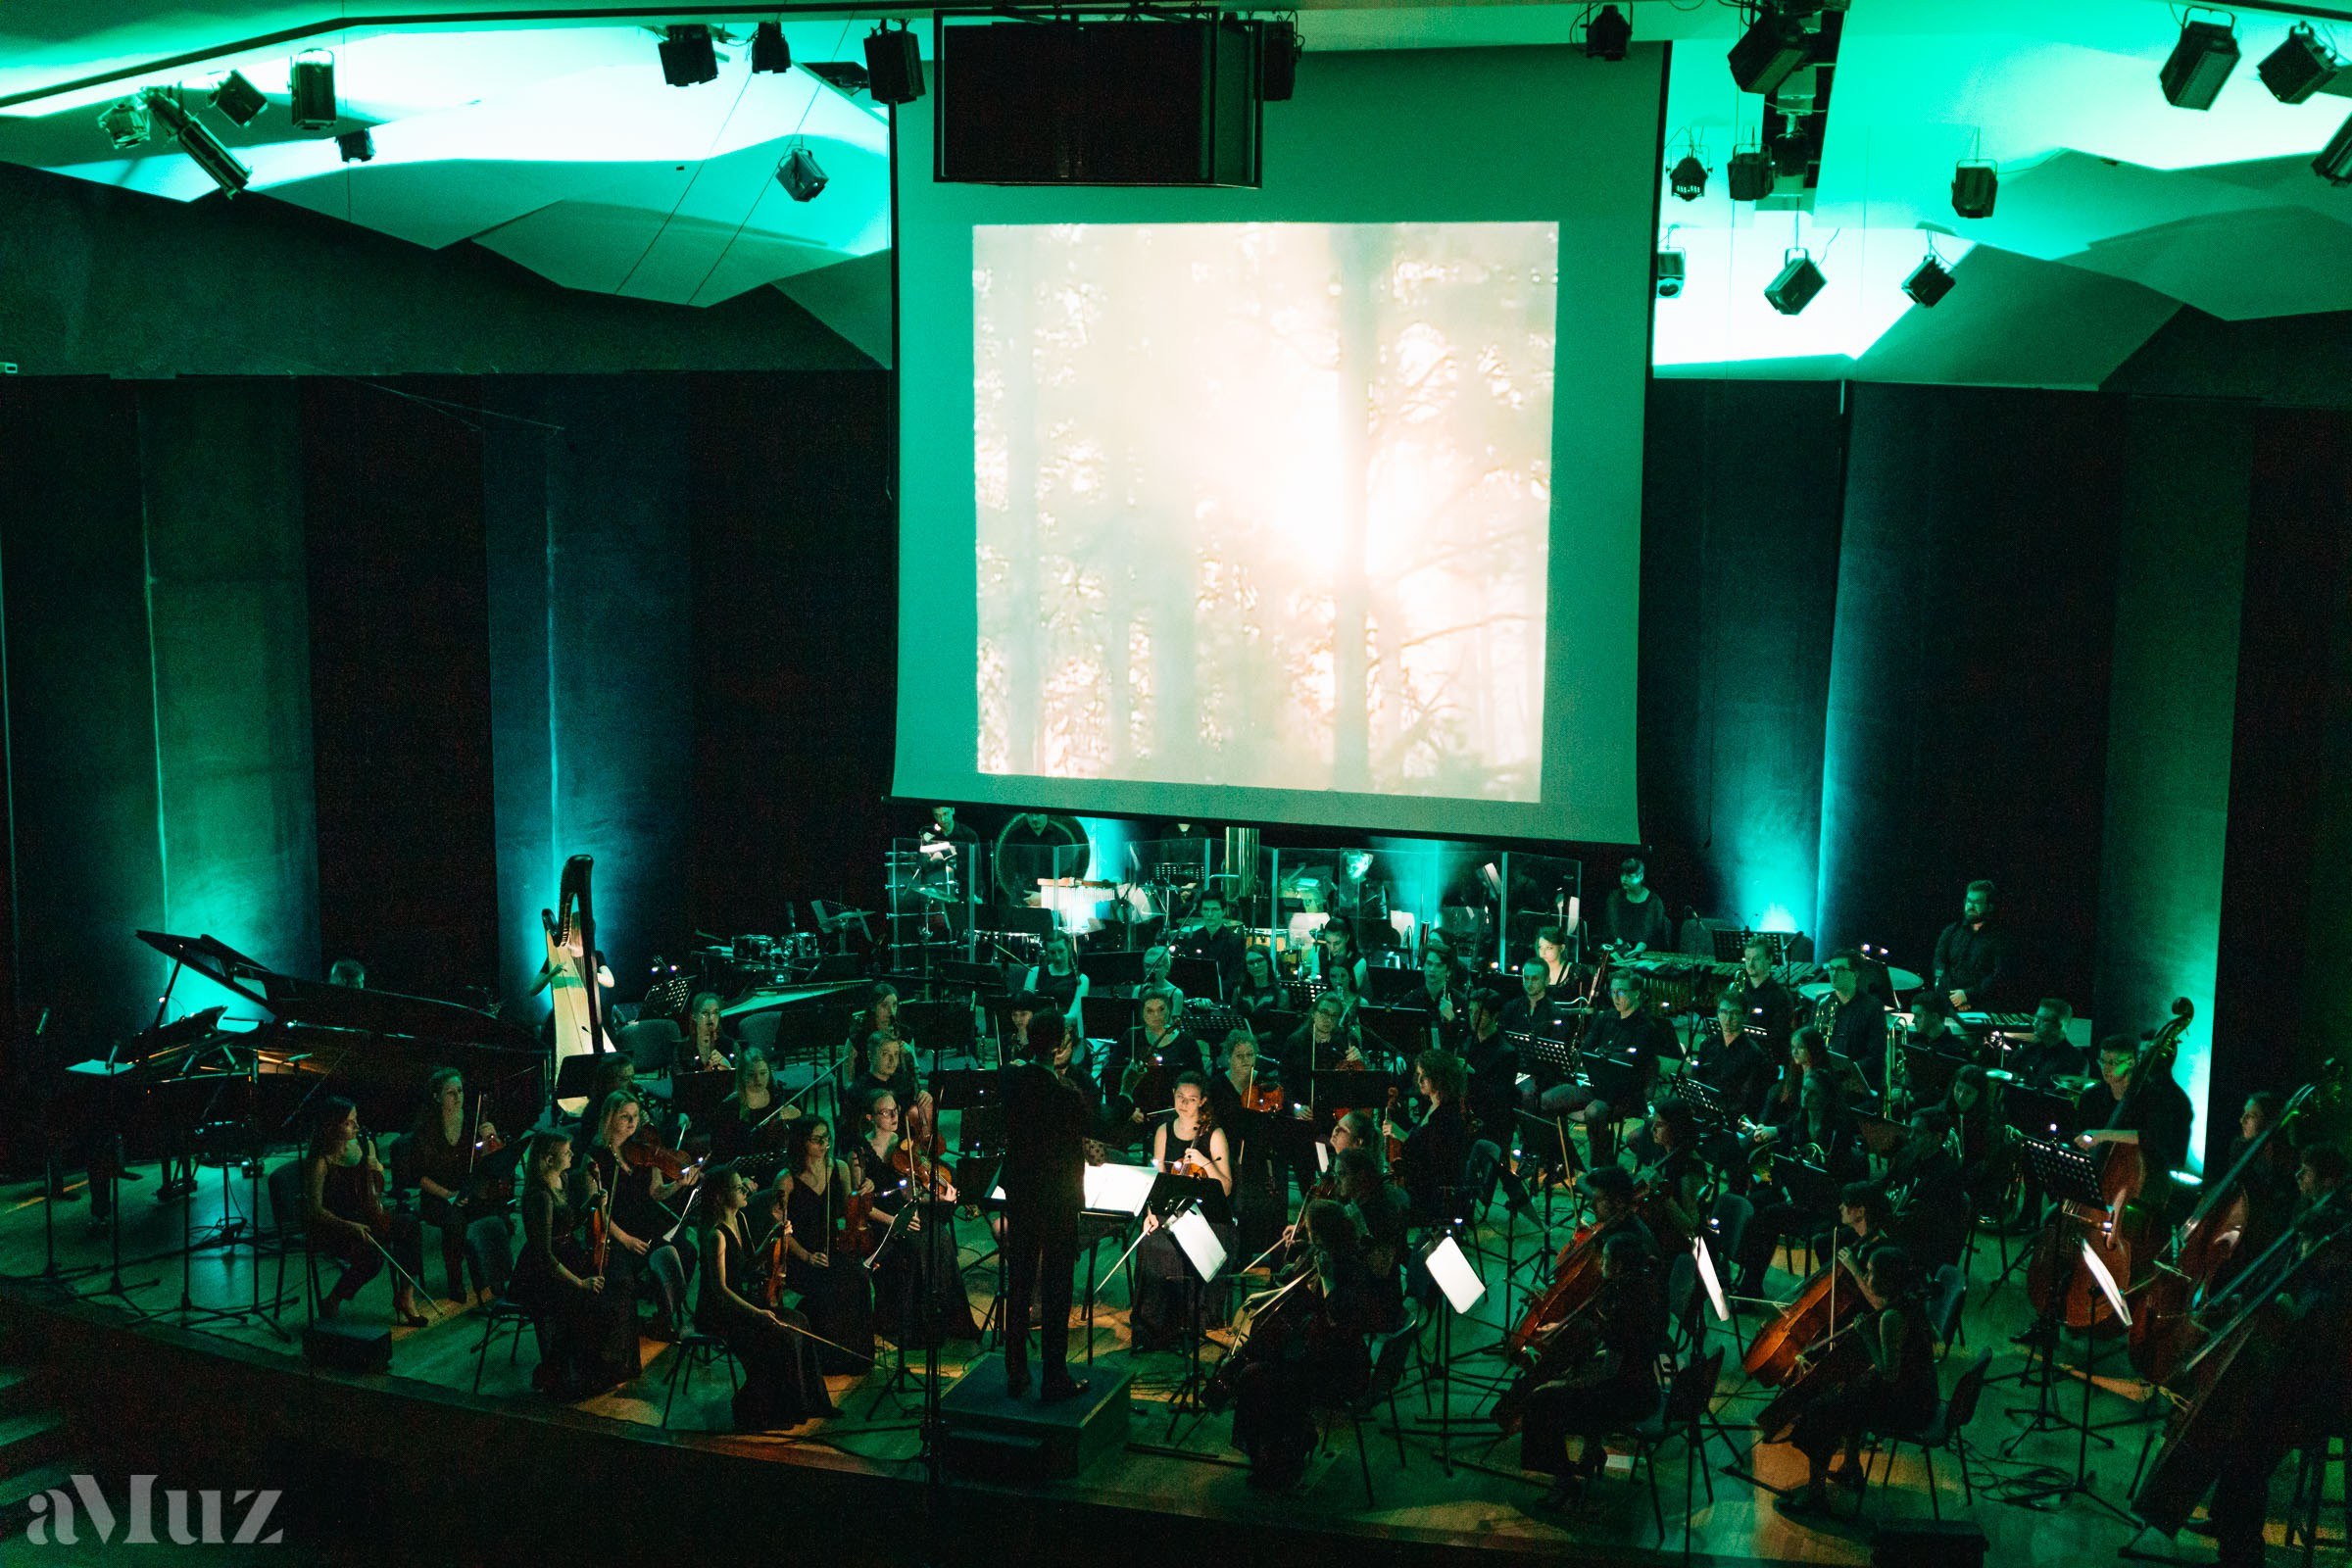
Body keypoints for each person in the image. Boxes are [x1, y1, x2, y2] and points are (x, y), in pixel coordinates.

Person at [1227, 1198, 1388, 1490]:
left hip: (1340, 1368)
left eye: (1310, 1231)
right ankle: (1278, 1454)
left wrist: (1327, 1280)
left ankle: (1283, 1456)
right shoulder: (1324, 1254)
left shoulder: (1351, 1269)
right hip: (1317, 1356)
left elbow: (1339, 1318)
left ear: (1323, 1235)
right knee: (1261, 1372)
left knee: (1257, 1378)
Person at [1776, 1247, 1938, 1518]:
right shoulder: (1909, 1304)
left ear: (1888, 1280)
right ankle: (1851, 1467)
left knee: (1821, 1408)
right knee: (1851, 1391)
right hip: (1922, 1396)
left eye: (1872, 1273)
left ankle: (1816, 1497)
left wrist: (1866, 1335)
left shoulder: (1891, 1317)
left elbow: (1889, 1374)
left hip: (1909, 1408)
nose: (1867, 1278)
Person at [1517, 1229, 1670, 1510]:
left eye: (1604, 1261)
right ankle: (1590, 1453)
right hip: (1644, 1387)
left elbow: (1609, 1372)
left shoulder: (1625, 1305)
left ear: (1619, 1266)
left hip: (1627, 1399)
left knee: (1539, 1401)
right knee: (1566, 1382)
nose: (1600, 1266)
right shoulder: (1647, 1290)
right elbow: (1624, 1351)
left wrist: (1567, 1383)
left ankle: (1564, 1482)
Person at [697, 1162, 840, 1429]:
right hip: (721, 1314)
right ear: (720, 1196)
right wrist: (758, 1313)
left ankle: (812, 1403)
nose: (745, 1190)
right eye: (738, 1187)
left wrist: (773, 1239)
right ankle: (769, 1411)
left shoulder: (739, 1220)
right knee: (781, 1335)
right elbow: (720, 1290)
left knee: (799, 1321)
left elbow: (748, 1266)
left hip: (743, 1305)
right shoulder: (716, 1235)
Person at [999, 1007, 1096, 1399]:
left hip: (1020, 1196)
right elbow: (1093, 1126)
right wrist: (1126, 1093)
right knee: (1056, 1291)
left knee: (1019, 1283)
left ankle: (1016, 1372)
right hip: (1056, 1201)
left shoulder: (1011, 1081)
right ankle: (1054, 1377)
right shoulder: (1065, 1095)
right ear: (1058, 1046)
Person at [570, 1092, 696, 1379]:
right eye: (625, 1117)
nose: (632, 1123)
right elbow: (598, 1211)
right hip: (613, 1233)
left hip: (644, 1224)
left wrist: (679, 1185)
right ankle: (621, 1354)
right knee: (622, 1279)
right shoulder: (595, 1158)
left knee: (687, 1252)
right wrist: (625, 1239)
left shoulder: (644, 1150)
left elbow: (655, 1192)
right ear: (610, 1118)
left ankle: (663, 1319)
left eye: (636, 1117)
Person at [851, 1088, 981, 1347]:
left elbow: (911, 1192)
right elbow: (861, 1206)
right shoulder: (859, 1154)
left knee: (940, 1238)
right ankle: (916, 1325)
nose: (893, 1116)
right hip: (883, 1223)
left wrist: (938, 1197)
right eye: (885, 1112)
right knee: (918, 1246)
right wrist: (895, 1221)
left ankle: (950, 1318)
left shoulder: (905, 1144)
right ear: (869, 1117)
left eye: (894, 1110)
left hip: (908, 1212)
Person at [1734, 1072, 1865, 1299]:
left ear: (1826, 1098)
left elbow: (1835, 1177)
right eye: (1804, 1090)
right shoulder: (1800, 1121)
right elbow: (1783, 1159)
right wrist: (1785, 1189)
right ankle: (1748, 1277)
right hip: (1795, 1193)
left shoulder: (1838, 1132)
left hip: (1822, 1204)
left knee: (1767, 1217)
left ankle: (1751, 1285)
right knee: (1751, 1204)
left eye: (1812, 1092)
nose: (1805, 1096)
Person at [1131, 1074, 1237, 1352]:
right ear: (1173, 1095)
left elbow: (1225, 1187)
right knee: (1151, 1242)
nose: (1185, 1104)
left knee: (1179, 1248)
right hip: (1171, 1214)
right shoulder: (1164, 1131)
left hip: (1209, 1217)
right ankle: (1152, 1328)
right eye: (1180, 1097)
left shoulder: (1214, 1134)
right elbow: (1158, 1180)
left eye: (1192, 1099)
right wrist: (1151, 1213)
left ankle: (1185, 1324)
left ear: (1202, 1101)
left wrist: (1204, 1163)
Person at [303, 1097, 427, 1326]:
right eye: (350, 1122)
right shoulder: (320, 1163)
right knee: (372, 1257)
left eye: (356, 1120)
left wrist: (377, 1168)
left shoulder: (360, 1145)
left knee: (409, 1224)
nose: (357, 1127)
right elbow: (315, 1210)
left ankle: (406, 1296)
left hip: (365, 1216)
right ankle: (334, 1298)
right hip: (336, 1227)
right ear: (331, 1127)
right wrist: (351, 1226)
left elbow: (374, 1188)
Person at [779, 1115, 877, 1374]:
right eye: (817, 1140)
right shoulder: (787, 1179)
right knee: (832, 1285)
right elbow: (780, 1232)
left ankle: (858, 1357)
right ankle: (828, 1360)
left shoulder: (839, 1168)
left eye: (827, 1138)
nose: (825, 1145)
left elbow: (849, 1211)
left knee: (858, 1277)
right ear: (802, 1143)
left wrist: (863, 1191)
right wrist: (807, 1257)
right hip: (802, 1254)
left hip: (835, 1246)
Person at [513, 1130, 601, 1397]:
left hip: (565, 1254)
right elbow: (544, 1255)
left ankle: (574, 1367)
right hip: (541, 1274)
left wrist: (593, 1204)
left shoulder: (562, 1179)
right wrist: (580, 1282)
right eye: (566, 1152)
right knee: (581, 1301)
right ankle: (558, 1372)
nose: (572, 1155)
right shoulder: (540, 1196)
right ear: (549, 1159)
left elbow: (569, 1223)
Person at [406, 1067, 501, 1305]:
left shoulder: (472, 1120)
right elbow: (418, 1177)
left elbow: (487, 1159)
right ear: (437, 1097)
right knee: (455, 1222)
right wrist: (450, 1195)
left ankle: (490, 1279)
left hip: (468, 1189)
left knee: (493, 1213)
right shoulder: (424, 1129)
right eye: (451, 1093)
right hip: (438, 1195)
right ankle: (455, 1280)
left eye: (460, 1091)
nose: (458, 1097)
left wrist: (491, 1139)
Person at [2075, 1032, 2194, 1203]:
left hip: (2143, 1182)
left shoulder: (2154, 1097)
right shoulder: (2091, 1096)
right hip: (2099, 1177)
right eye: (2102, 1061)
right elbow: (2080, 1136)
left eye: (2113, 1063)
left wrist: (2102, 1135)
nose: (2106, 1068)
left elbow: (2152, 1137)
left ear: (2131, 1062)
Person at [1459, 989, 1533, 1214]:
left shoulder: (1506, 1052)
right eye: (1471, 1012)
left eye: (1479, 1014)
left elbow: (1499, 1097)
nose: (1473, 1017)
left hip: (1492, 1119)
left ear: (1494, 1016)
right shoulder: (1468, 1042)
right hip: (1470, 1113)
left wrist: (1472, 1076)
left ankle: (1467, 1202)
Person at [1388, 1050, 1471, 1226]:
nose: (1418, 1081)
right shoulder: (1433, 1106)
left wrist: (1401, 1135)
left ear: (1440, 1079)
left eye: (1424, 1076)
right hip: (1423, 1185)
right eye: (1418, 1074)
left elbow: (1434, 1163)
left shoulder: (1447, 1115)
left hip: (1435, 1197)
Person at [1886, 1108, 1968, 1272]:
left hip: (1920, 1243)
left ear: (1936, 1137)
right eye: (1911, 1130)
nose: (1911, 1137)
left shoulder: (1949, 1174)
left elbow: (1936, 1223)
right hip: (1897, 1229)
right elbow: (1886, 1184)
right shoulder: (1907, 1155)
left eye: (1918, 1133)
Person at [1106, 992, 1201, 1117]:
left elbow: (1198, 1078)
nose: (1156, 1015)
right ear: (1142, 1014)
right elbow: (1112, 1073)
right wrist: (1128, 1109)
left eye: (1161, 1009)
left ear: (1169, 1010)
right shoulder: (1131, 1036)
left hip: (1174, 1110)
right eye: (1149, 1011)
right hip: (1137, 1109)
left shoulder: (1186, 1041)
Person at [708, 1046, 796, 1165]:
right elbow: (720, 1152)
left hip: (776, 1165)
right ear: (742, 1075)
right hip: (740, 1171)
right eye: (751, 1074)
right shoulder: (729, 1107)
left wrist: (798, 1116)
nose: (758, 1079)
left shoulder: (779, 1098)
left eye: (763, 1073)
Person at [1814, 951, 1886, 1095]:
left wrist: (1843, 1073)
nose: (1834, 974)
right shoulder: (1822, 1002)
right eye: (1831, 968)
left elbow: (1875, 1055)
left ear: (1855, 973)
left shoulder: (1872, 1007)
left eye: (1841, 969)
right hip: (1823, 1076)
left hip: (1854, 1083)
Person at [1932, 879, 2008, 1012]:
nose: (1970, 906)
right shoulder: (1952, 931)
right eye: (1968, 901)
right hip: (1949, 1003)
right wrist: (1954, 996)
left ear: (1990, 906)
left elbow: (1999, 975)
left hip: (1982, 1006)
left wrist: (1968, 995)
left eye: (1977, 902)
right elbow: (1939, 964)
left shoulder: (2000, 938)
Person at [1693, 993, 1769, 1116]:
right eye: (1723, 1012)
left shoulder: (1753, 1053)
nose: (1728, 1019)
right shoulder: (1708, 1044)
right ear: (1717, 1014)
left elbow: (1749, 1097)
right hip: (1706, 1108)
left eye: (1734, 1013)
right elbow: (1699, 1078)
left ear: (1745, 1016)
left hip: (1732, 1114)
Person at [1731, 938, 1794, 1061]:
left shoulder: (1780, 996)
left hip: (1764, 1059)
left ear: (1769, 959)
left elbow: (1779, 1038)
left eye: (1757, 959)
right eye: (1747, 959)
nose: (1750, 964)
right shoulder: (1738, 989)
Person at [1595, 856, 1672, 956]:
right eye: (1622, 875)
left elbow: (1649, 931)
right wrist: (1620, 946)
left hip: (1647, 949)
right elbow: (1612, 924)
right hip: (1620, 947)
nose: (1624, 879)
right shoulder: (1615, 897)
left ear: (1640, 876)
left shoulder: (1654, 901)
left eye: (1629, 876)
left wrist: (1638, 949)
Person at [1182, 893, 1250, 999]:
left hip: (1222, 999)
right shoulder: (1192, 939)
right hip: (1195, 998)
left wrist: (1209, 995)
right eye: (1206, 909)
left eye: (1214, 909)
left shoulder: (1236, 941)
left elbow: (1234, 977)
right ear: (1201, 911)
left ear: (1223, 911)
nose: (1209, 914)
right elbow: (1187, 973)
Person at [1024, 930, 1090, 1033]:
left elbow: (1073, 1016)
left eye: (1061, 951)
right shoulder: (1034, 972)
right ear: (1047, 952)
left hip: (1065, 1033)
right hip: (1037, 1031)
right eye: (1052, 953)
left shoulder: (1082, 979)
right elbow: (1024, 1007)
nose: (1057, 957)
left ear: (1068, 949)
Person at [2008, 999, 2083, 1086]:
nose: (2035, 1023)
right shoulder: (2025, 1052)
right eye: (2036, 1018)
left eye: (2042, 1020)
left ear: (2060, 1025)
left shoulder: (2074, 1060)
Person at [1502, 957, 1575, 1040]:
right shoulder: (1511, 1008)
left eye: (1535, 979)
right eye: (1526, 978)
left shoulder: (1556, 1014)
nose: (1529, 983)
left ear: (1547, 980)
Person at [1231, 947, 1291, 1033]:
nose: (1256, 965)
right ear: (1246, 967)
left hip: (1269, 1044)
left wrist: (1256, 1038)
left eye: (1260, 960)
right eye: (1251, 963)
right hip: (1243, 1041)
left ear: (1268, 962)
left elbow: (1280, 1029)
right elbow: (1234, 1022)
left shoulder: (1281, 994)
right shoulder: (1239, 991)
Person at [683, 992, 734, 1073]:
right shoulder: (682, 1049)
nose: (711, 1018)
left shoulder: (731, 1046)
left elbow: (741, 1080)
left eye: (715, 1013)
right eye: (705, 1013)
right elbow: (679, 1082)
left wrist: (729, 1068)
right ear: (694, 1016)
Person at [1532, 925, 1574, 992]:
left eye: (1549, 948)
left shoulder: (1575, 972)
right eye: (1540, 947)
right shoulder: (1533, 970)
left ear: (1562, 948)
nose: (1543, 952)